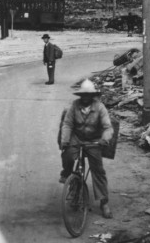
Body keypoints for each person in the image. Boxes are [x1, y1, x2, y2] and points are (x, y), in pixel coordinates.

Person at [59, 79, 114, 219]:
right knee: (68, 155)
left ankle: (104, 202)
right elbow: (67, 124)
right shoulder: (74, 106)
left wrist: (104, 139)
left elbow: (108, 127)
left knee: (98, 170)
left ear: (92, 96)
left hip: (93, 141)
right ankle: (67, 174)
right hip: (76, 139)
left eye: (88, 95)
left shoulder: (100, 107)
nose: (85, 97)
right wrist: (65, 140)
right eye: (83, 95)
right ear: (80, 95)